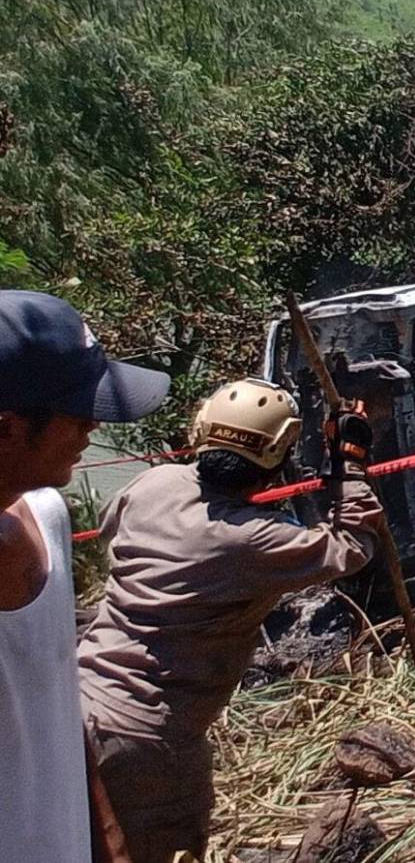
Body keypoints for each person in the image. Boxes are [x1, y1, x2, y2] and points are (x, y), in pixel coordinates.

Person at [78, 378, 384, 863]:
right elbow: (351, 547)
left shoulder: (152, 484)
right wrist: (349, 465)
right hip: (148, 739)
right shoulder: (250, 540)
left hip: (79, 704)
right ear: (280, 455)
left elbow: (111, 528)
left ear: (201, 431)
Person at [1, 290, 169, 863]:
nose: (93, 427)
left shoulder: (47, 512)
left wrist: (106, 836)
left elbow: (55, 694)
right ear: (6, 428)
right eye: (77, 413)